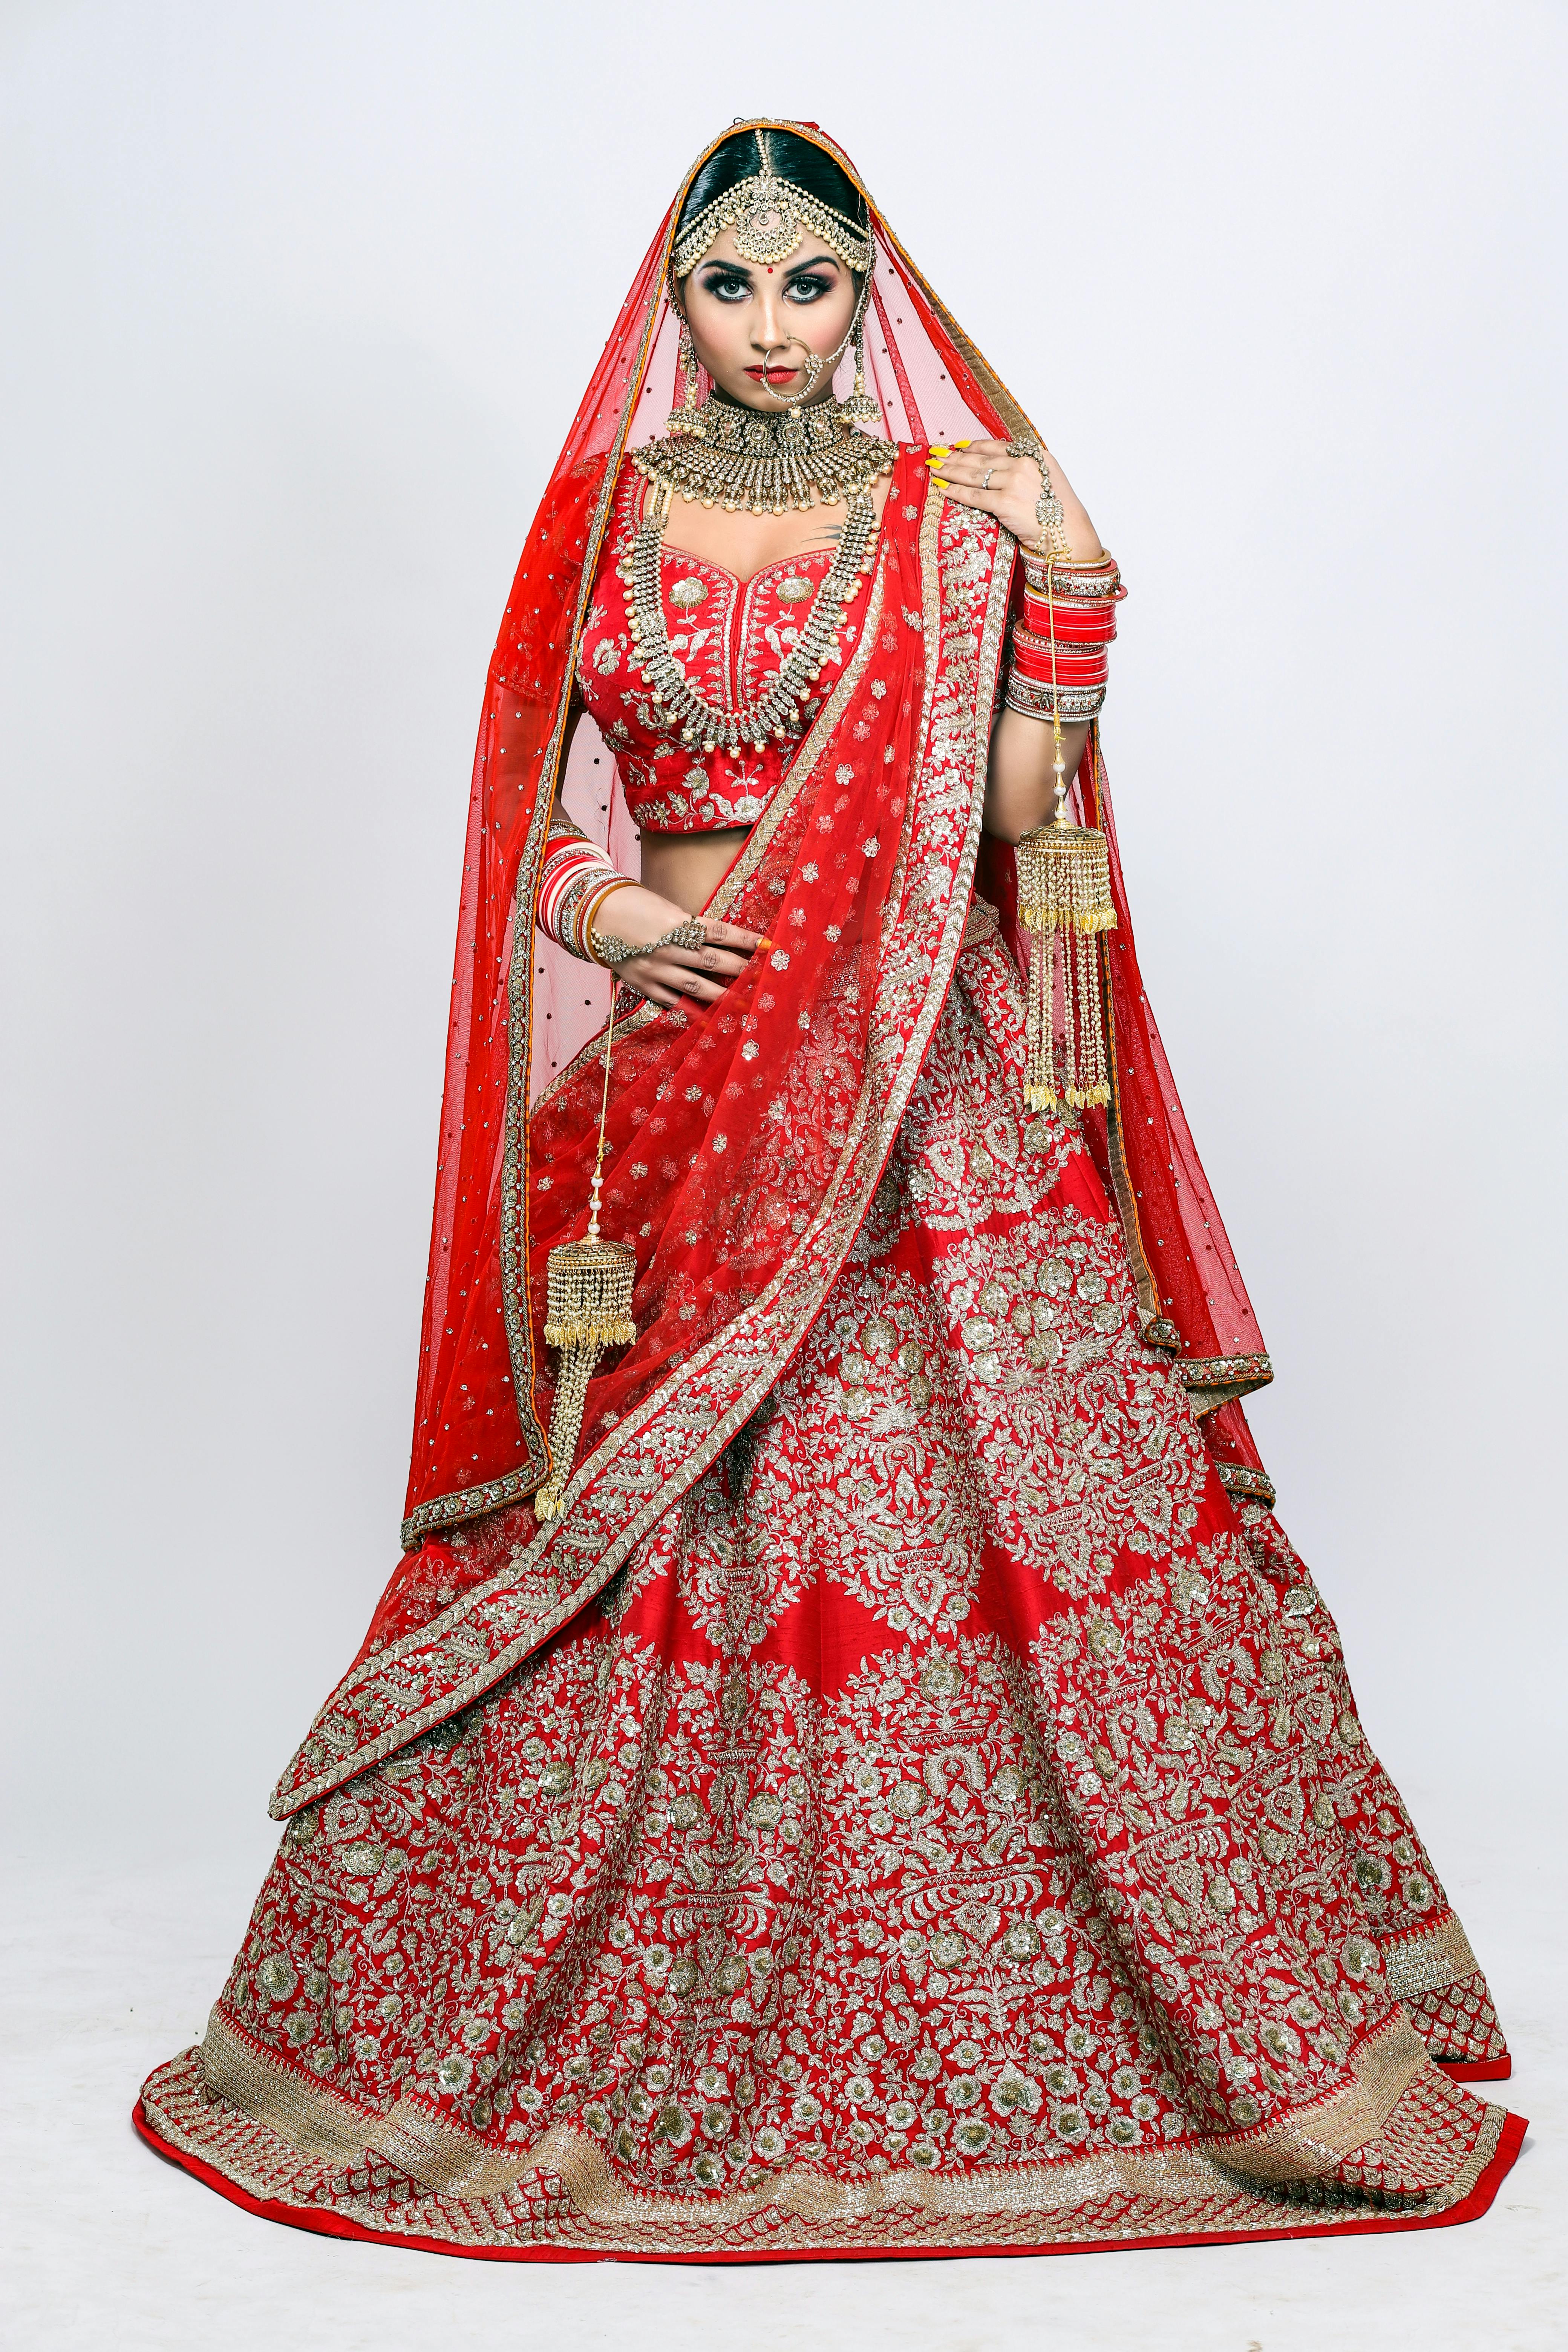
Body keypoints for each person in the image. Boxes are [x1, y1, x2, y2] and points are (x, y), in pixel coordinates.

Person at [136, 119, 1522, 2261]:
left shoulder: (936, 521)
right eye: (732, 284)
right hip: (679, 1090)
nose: (772, 328)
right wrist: (608, 927)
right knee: (636, 1518)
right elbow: (532, 810)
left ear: (865, 297)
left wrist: (1068, 584)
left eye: (811, 286)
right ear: (671, 296)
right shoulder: (595, 524)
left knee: (1000, 1505)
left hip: (921, 1086)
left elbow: (1015, 816)